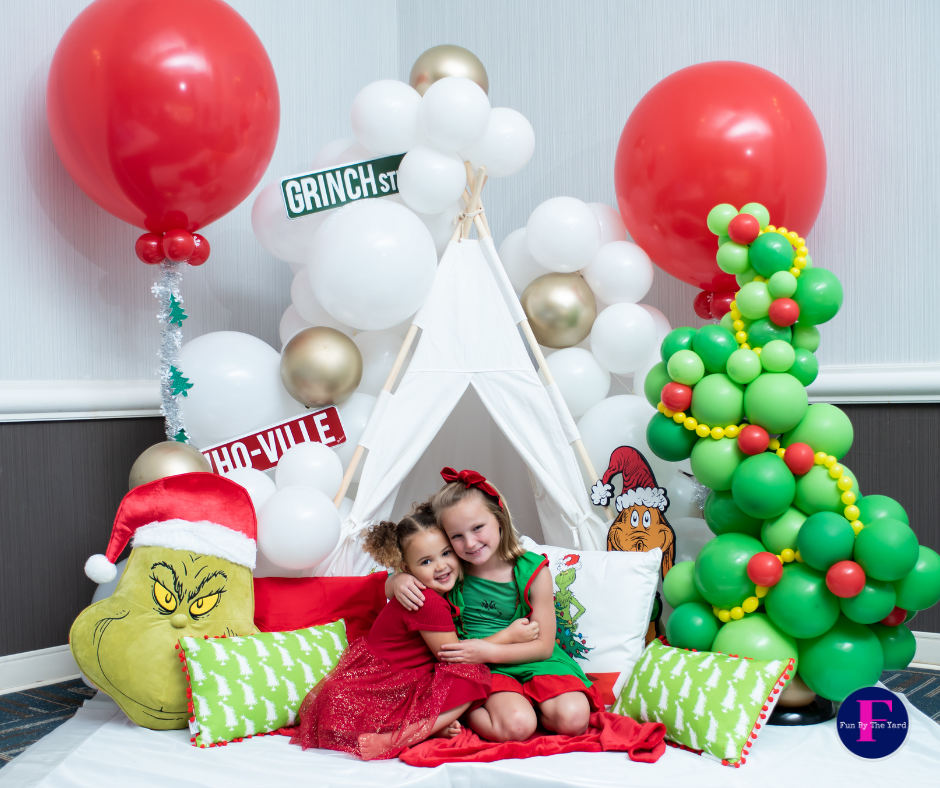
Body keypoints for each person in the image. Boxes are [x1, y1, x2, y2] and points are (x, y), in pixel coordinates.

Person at [292, 503, 537, 760]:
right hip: (378, 689)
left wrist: (396, 579)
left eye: (445, 553)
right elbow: (453, 655)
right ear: (407, 569)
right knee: (469, 674)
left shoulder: (433, 591)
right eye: (426, 561)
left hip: (395, 679)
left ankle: (430, 726)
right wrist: (507, 637)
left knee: (452, 678)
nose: (440, 566)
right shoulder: (427, 600)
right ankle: (399, 738)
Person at [388, 468, 604, 743]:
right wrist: (397, 580)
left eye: (478, 528)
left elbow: (543, 646)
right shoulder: (450, 569)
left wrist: (488, 650)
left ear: (499, 518)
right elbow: (414, 569)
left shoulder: (533, 571)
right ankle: (462, 711)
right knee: (517, 726)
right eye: (456, 536)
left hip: (533, 658)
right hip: (482, 668)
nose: (470, 543)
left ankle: (533, 700)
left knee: (573, 719)